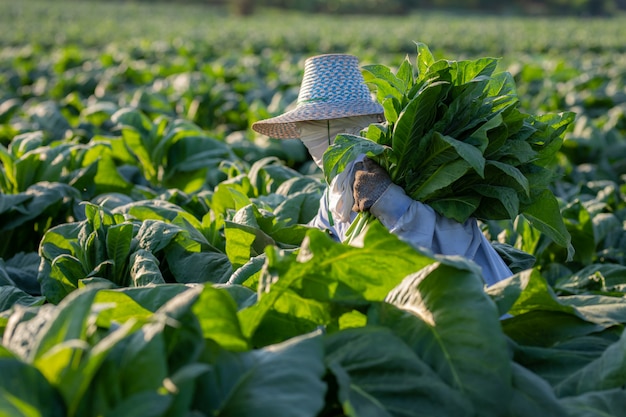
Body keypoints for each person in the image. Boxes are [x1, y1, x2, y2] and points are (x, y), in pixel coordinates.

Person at [252, 53, 512, 286]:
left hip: (477, 301)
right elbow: (320, 241)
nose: (315, 137)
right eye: (308, 127)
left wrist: (388, 199)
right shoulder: (333, 193)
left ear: (360, 123)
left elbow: (453, 237)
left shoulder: (404, 167)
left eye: (318, 125)